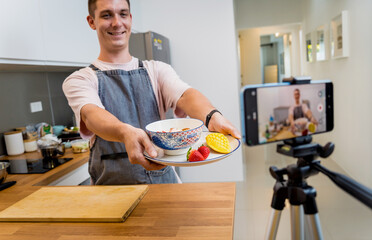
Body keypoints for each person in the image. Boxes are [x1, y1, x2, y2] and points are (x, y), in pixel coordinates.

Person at [62, 0, 241, 185]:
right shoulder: (80, 79)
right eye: (107, 15)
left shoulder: (156, 70)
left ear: (130, 19)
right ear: (92, 21)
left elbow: (185, 95)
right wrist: (125, 132)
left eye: (123, 14)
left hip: (165, 186)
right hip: (112, 194)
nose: (117, 23)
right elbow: (92, 115)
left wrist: (212, 116)